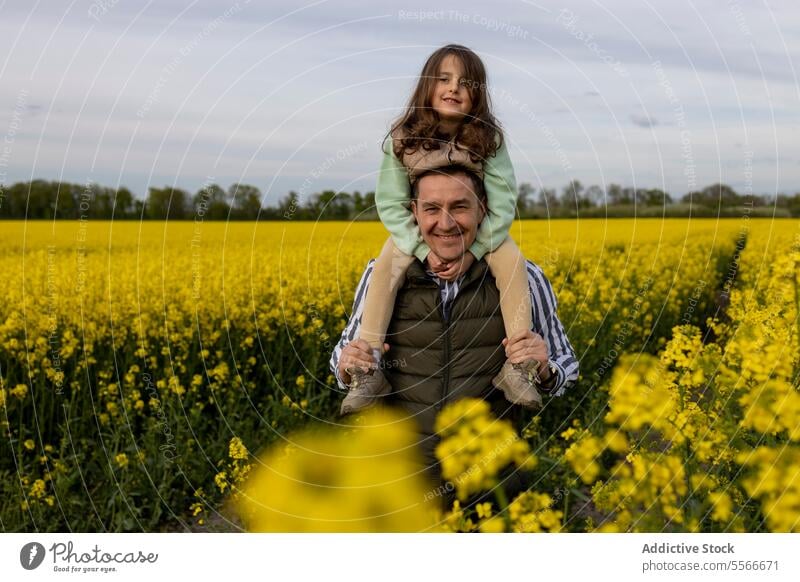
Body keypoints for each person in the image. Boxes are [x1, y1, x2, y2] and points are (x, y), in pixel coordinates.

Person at [329, 165, 579, 501]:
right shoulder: (382, 275)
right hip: (400, 481)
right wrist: (347, 365)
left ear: (484, 211)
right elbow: (343, 357)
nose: (445, 223)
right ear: (413, 212)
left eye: (460, 207)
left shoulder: (524, 276)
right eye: (431, 208)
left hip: (491, 482)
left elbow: (567, 365)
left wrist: (546, 370)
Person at [340, 44, 539, 416]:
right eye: (444, 79)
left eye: (467, 83)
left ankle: (519, 365)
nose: (454, 88)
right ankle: (366, 367)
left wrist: (474, 251)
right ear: (426, 86)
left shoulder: (489, 140)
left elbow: (502, 201)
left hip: (484, 236)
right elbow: (391, 203)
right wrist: (420, 249)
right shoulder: (403, 138)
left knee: (512, 260)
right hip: (415, 236)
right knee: (385, 269)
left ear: (478, 94)